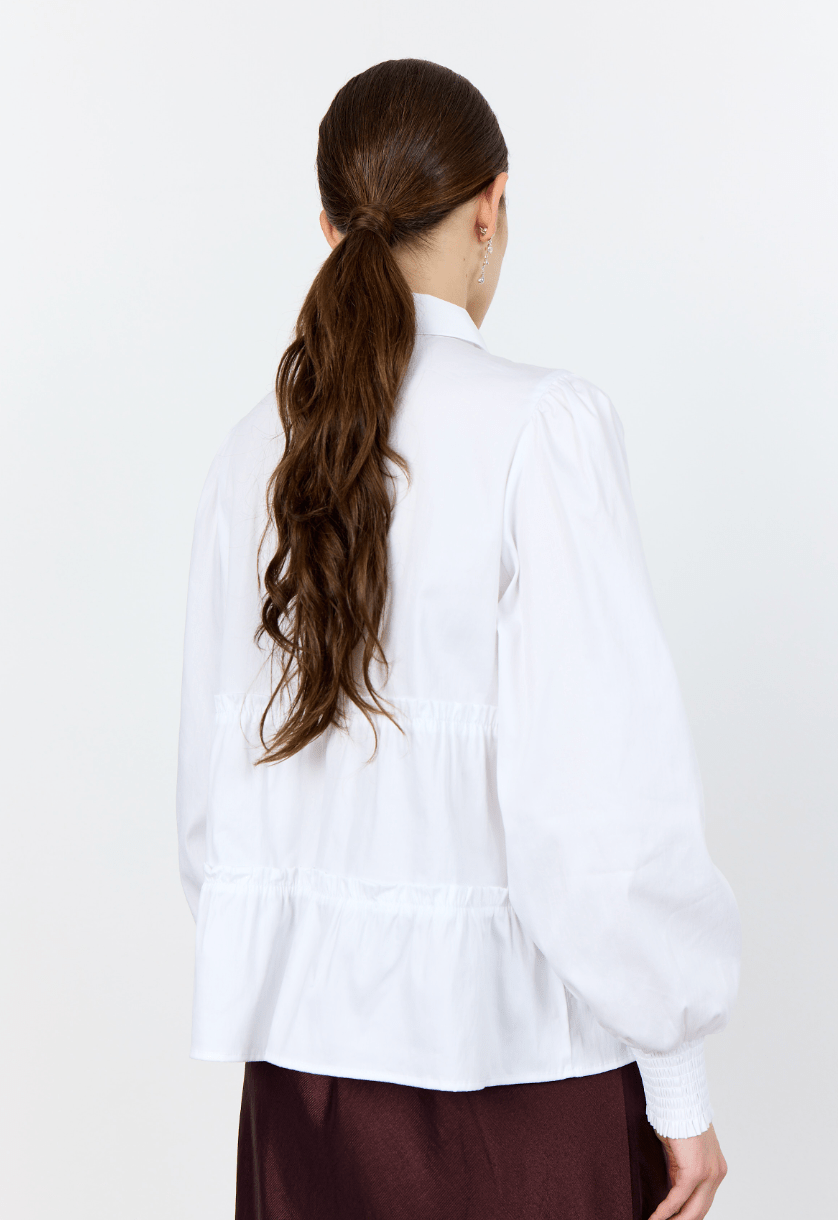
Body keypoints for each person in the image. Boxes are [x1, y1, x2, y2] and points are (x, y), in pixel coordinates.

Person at [177, 58, 741, 1220]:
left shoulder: (253, 450)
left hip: (300, 1091)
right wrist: (676, 1078)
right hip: (514, 1087)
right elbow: (598, 812)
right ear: (490, 205)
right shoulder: (542, 429)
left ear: (329, 226)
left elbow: (211, 812)